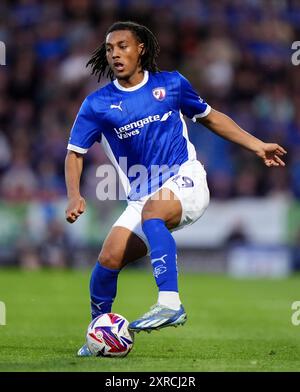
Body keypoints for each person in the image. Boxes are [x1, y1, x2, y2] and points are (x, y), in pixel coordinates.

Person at [64, 21, 287, 356]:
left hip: (186, 180)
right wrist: (74, 194)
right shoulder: (97, 105)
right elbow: (74, 154)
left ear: (141, 49)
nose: (115, 54)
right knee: (107, 259)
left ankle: (169, 303)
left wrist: (256, 145)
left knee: (155, 210)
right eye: (109, 49)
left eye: (123, 46)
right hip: (141, 198)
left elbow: (211, 117)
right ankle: (100, 334)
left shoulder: (171, 84)